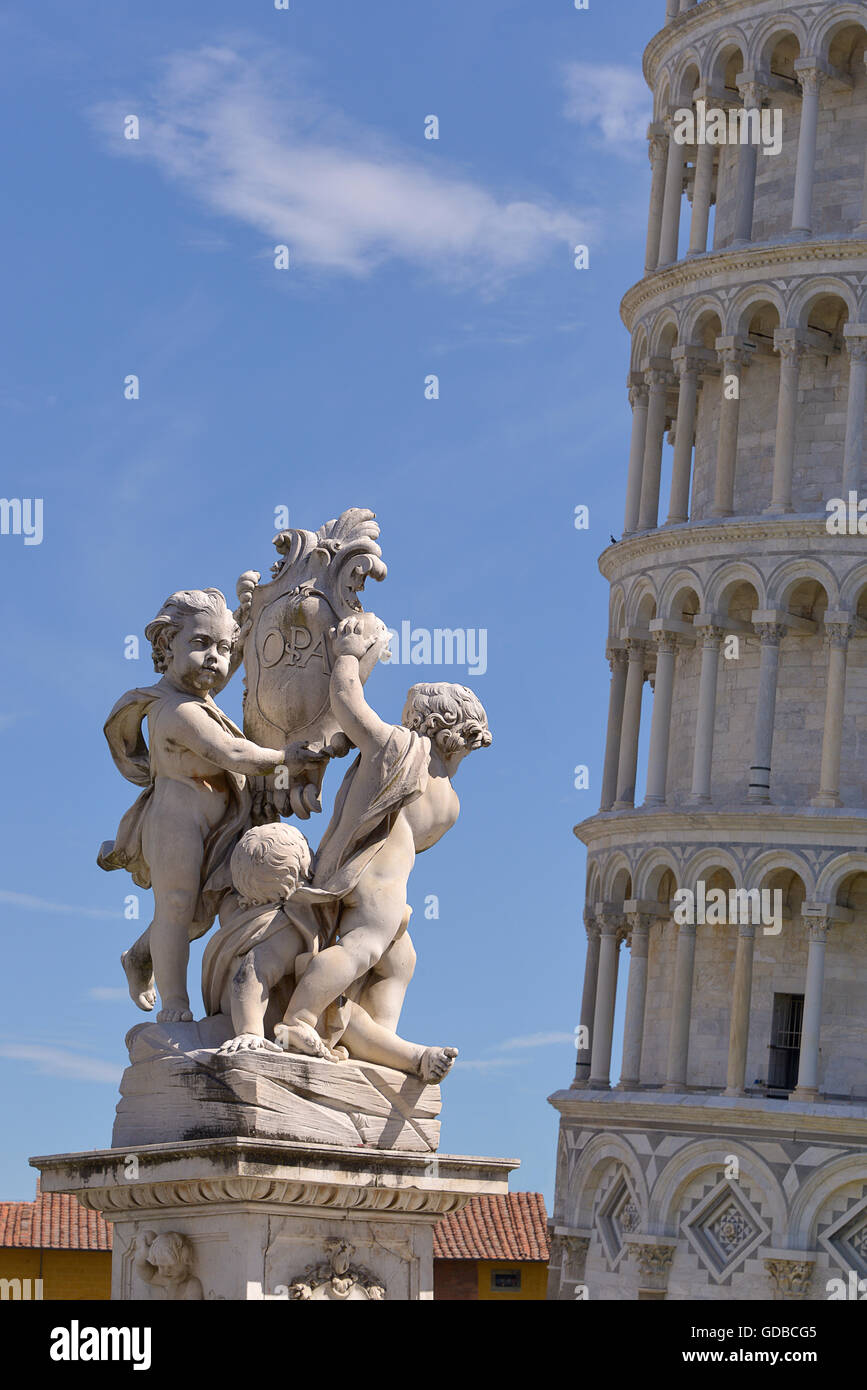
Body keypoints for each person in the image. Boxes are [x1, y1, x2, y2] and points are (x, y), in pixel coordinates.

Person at [98, 588, 325, 1022]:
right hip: (175, 824)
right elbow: (232, 755)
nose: (215, 658)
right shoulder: (175, 711)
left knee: (204, 913)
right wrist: (285, 759)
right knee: (178, 907)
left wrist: (246, 618)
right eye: (200, 644)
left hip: (224, 826)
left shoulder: (199, 699)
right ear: (166, 646)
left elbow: (225, 668)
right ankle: (176, 1004)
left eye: (223, 648)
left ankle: (146, 960)